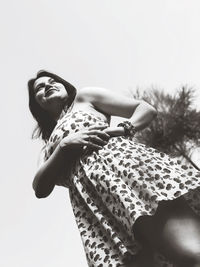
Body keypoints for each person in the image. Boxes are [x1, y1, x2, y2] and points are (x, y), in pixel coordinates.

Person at [28, 70, 200, 267]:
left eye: (53, 81)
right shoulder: (49, 146)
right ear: (37, 104)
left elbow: (145, 109)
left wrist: (121, 129)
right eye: (39, 88)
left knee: (191, 254)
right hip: (96, 207)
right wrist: (64, 145)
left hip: (129, 172)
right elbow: (39, 187)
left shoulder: (85, 99)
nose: (48, 86)